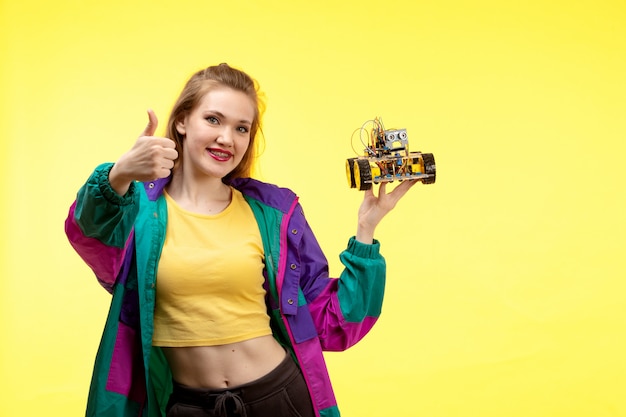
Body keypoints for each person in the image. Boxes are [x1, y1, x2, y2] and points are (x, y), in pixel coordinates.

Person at [65, 63, 418, 417]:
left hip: (279, 396)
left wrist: (366, 230)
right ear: (182, 121)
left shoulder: (272, 213)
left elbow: (332, 323)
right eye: (213, 120)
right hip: (188, 406)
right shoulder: (137, 210)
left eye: (241, 128)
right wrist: (120, 172)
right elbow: (89, 236)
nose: (227, 139)